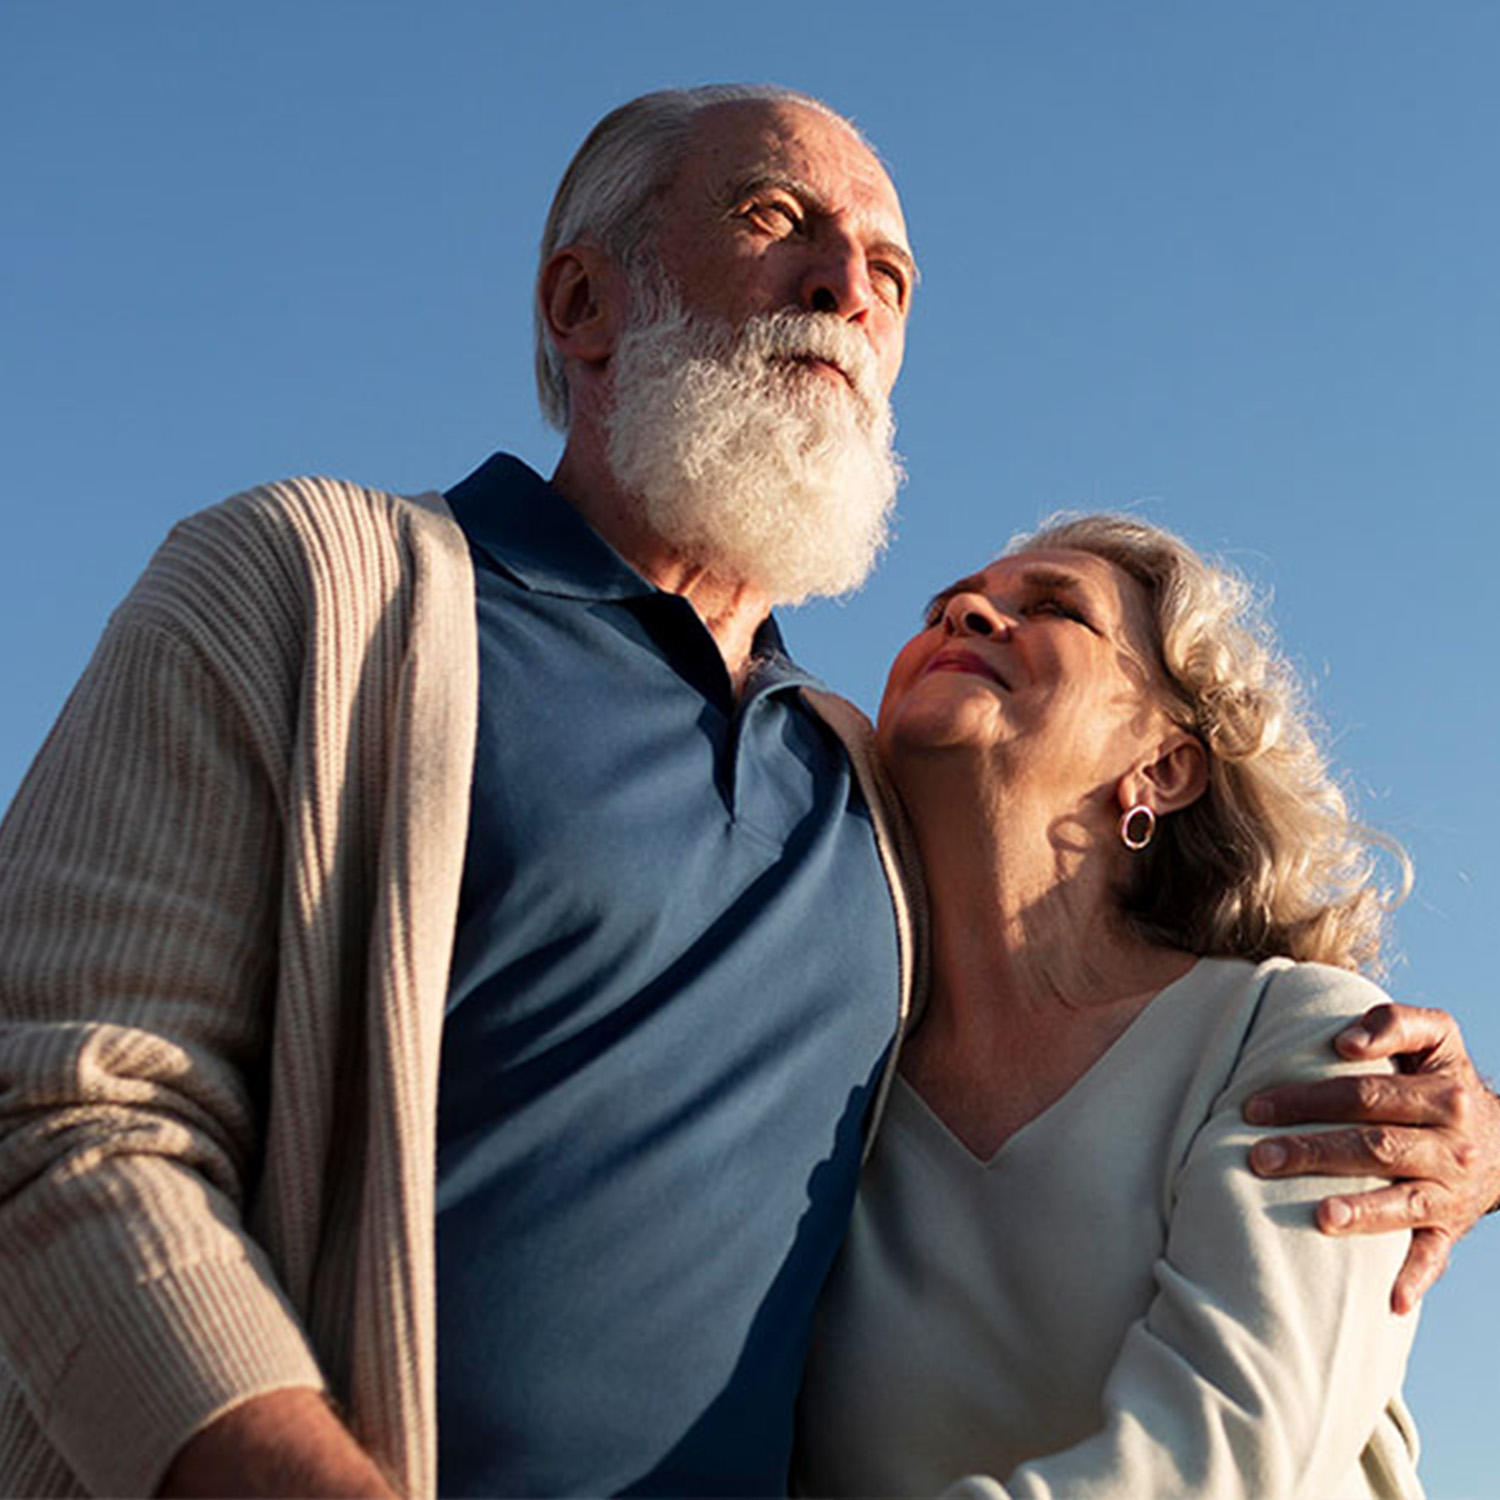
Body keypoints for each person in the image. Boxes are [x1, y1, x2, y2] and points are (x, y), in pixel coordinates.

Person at [0, 85, 1493, 1500]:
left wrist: (1465, 1137)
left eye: (894, 275)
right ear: (584, 302)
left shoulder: (850, 786)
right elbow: (64, 1107)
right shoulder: (308, 592)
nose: (852, 286)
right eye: (780, 217)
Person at [796, 515, 1444, 1497]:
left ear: (1163, 768)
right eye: (943, 611)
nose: (966, 612)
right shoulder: (821, 1098)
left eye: (1054, 608)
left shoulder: (1302, 1033)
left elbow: (1227, 1459)